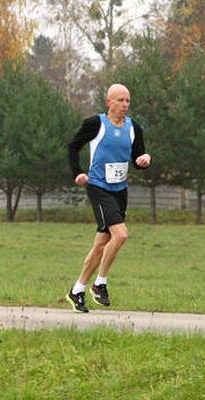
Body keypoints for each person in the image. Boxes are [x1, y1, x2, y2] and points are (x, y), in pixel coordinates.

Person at [65, 83, 151, 312]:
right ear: (109, 102)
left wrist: (144, 160)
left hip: (119, 190)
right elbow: (73, 147)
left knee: (101, 245)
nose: (124, 105)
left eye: (127, 101)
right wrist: (78, 173)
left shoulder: (134, 128)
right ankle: (99, 284)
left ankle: (77, 290)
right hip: (98, 187)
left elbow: (137, 157)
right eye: (120, 100)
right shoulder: (95, 124)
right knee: (121, 235)